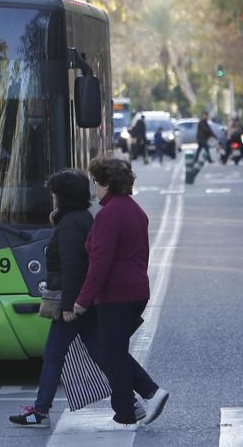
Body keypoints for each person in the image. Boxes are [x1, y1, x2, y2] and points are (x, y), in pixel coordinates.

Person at [71, 157, 170, 427]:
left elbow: (100, 262)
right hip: (136, 289)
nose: (94, 188)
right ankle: (128, 407)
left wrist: (84, 299)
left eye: (96, 182)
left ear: (106, 183)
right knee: (114, 350)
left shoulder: (109, 215)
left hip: (115, 294)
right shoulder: (135, 210)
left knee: (112, 351)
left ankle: (148, 394)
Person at [9, 169, 112, 428]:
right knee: (101, 352)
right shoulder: (80, 218)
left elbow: (72, 267)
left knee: (54, 353)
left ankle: (40, 410)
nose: (52, 198)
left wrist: (68, 306)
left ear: (63, 196)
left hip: (72, 301)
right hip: (82, 298)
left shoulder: (70, 224)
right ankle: (139, 396)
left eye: (54, 194)